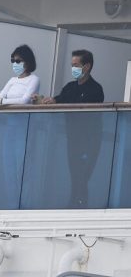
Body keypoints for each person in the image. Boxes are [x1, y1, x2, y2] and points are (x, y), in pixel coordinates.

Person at [42, 50, 104, 207]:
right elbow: (59, 99)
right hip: (73, 140)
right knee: (74, 176)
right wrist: (47, 101)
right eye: (72, 65)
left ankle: (79, 207)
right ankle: (72, 206)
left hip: (89, 142)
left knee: (82, 178)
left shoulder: (95, 89)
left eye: (76, 65)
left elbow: (86, 112)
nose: (73, 68)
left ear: (87, 66)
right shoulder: (70, 87)